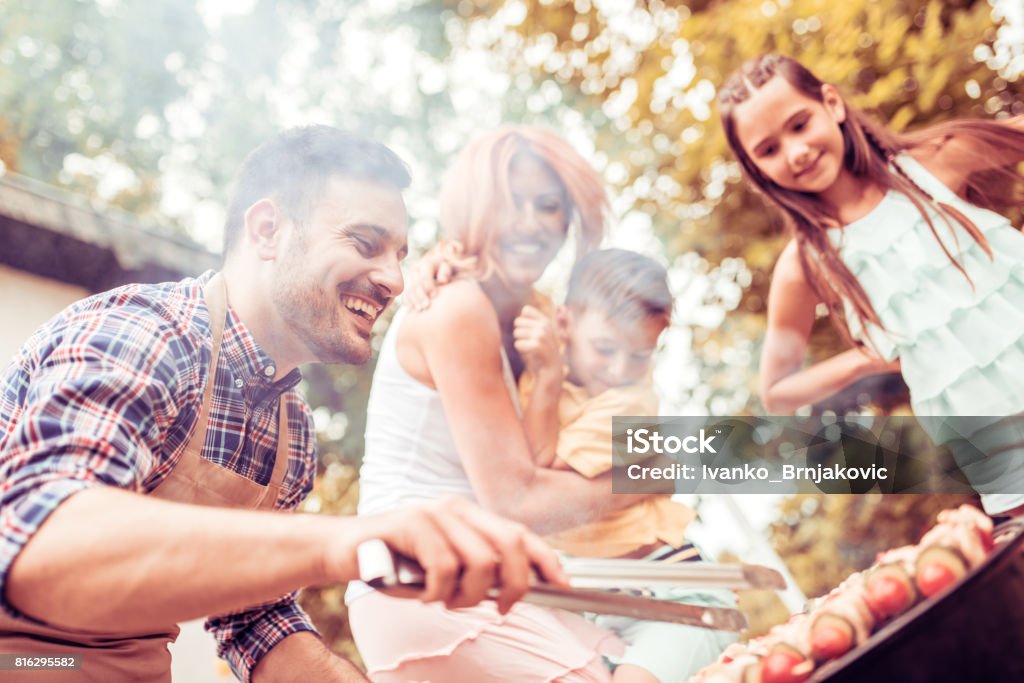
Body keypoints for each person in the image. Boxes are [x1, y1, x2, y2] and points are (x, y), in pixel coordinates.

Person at [0, 125, 567, 683]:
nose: (395, 279)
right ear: (268, 229)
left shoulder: (291, 425)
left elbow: (255, 619)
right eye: (365, 243)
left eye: (555, 208)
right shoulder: (149, 332)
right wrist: (652, 466)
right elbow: (41, 539)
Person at [348, 127, 657, 682]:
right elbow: (514, 498)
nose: (532, 222)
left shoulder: (531, 312)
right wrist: (649, 477)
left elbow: (590, 418)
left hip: (474, 575)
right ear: (476, 208)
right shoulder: (457, 307)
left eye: (549, 207)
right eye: (511, 202)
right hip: (421, 579)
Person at [718, 54, 1024, 515]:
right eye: (769, 149)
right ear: (755, 168)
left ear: (832, 104)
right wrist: (863, 361)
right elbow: (777, 391)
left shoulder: (931, 165)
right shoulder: (805, 265)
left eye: (799, 125)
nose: (795, 152)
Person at [513, 247, 736, 683]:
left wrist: (548, 379)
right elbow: (491, 277)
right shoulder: (546, 335)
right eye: (604, 348)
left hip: (675, 592)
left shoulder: (629, 402)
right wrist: (439, 263)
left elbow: (538, 479)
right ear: (564, 324)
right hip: (599, 609)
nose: (619, 368)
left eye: (639, 356)